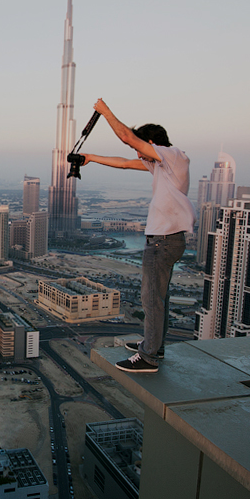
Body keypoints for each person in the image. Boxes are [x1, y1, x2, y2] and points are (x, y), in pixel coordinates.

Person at [71, 97, 196, 372]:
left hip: (163, 242)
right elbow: (125, 162)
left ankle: (149, 356)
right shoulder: (164, 165)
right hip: (166, 240)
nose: (140, 155)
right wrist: (90, 157)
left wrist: (105, 113)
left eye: (143, 148)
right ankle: (153, 347)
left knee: (151, 299)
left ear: (152, 144)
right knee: (158, 298)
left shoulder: (172, 155)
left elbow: (128, 139)